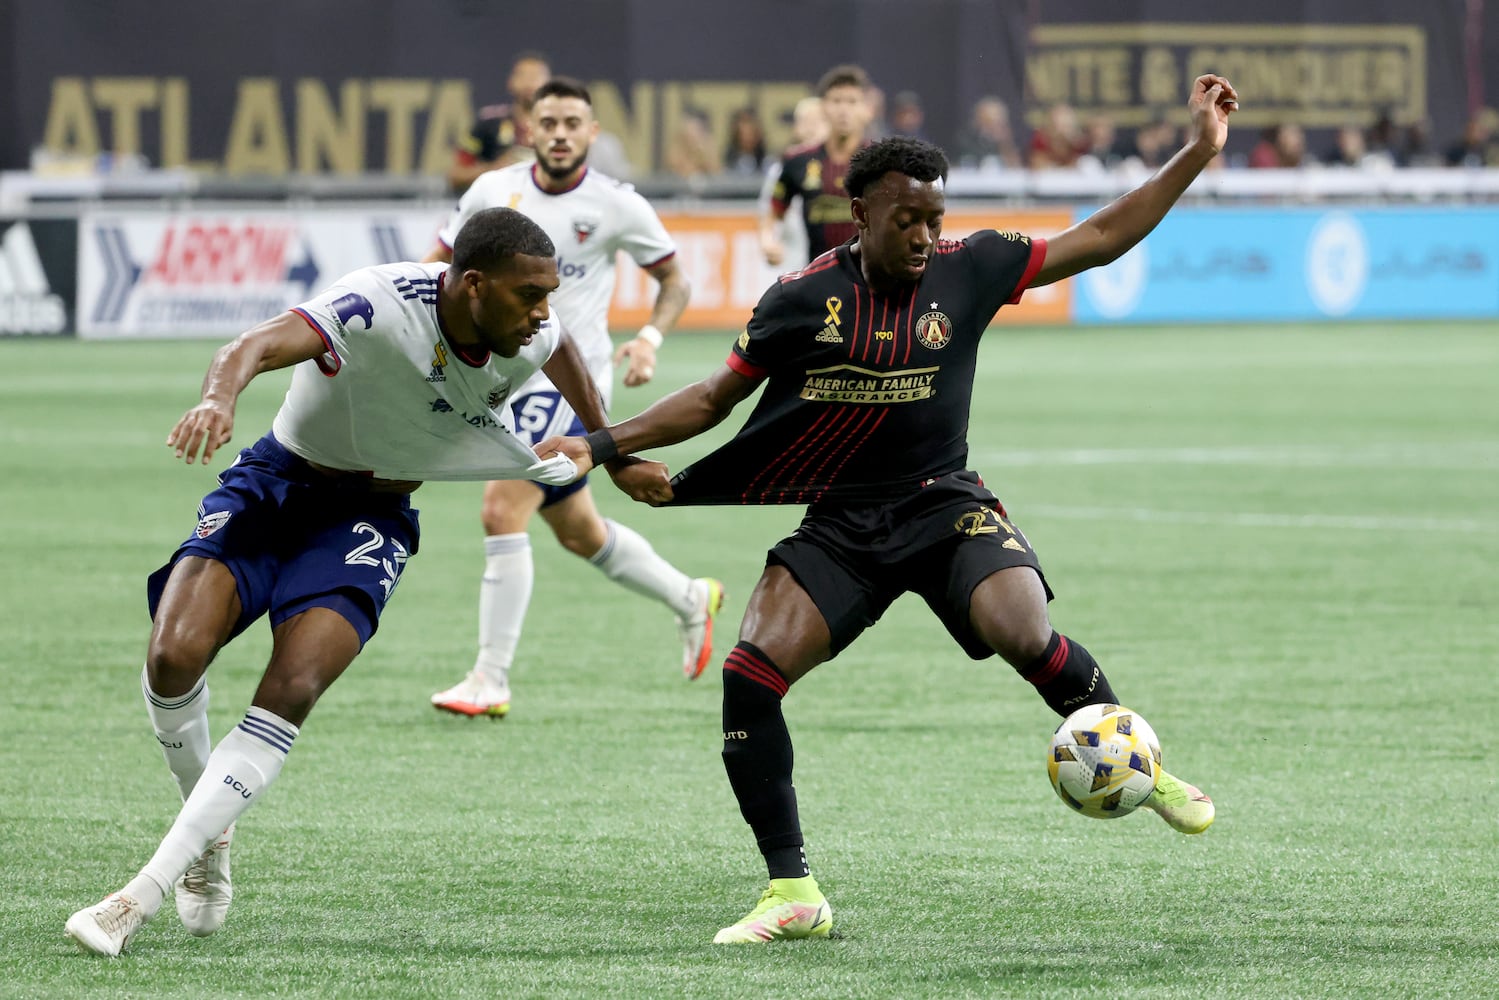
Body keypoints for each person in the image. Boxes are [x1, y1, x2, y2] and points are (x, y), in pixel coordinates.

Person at [541, 74, 1239, 944]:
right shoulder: (799, 299)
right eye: (905, 219)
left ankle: (1141, 761)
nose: (923, 235)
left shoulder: (971, 267)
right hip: (842, 522)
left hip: (944, 504)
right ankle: (792, 892)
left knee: (1022, 634)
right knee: (750, 675)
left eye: (933, 217)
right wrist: (605, 445)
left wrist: (1199, 153)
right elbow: (713, 401)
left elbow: (1099, 237)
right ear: (860, 214)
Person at [63, 207, 664, 956]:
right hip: (272, 486)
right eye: (528, 295)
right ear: (472, 285)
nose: (543, 313)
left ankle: (137, 896)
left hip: (369, 519)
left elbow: (565, 346)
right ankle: (209, 835)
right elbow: (250, 345)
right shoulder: (378, 301)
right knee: (171, 657)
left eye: (549, 294)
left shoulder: (532, 331)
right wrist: (219, 397)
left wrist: (609, 446)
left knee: (292, 687)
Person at [424, 77, 718, 719]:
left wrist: (648, 337)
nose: (560, 133)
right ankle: (691, 596)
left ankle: (490, 679)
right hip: (495, 379)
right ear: (529, 126)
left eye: (573, 123)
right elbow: (437, 266)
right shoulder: (491, 191)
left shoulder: (617, 205)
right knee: (580, 531)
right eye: (549, 121)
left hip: (565, 382)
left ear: (591, 133)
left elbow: (673, 279)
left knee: (502, 509)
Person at [759, 64, 874, 268]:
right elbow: (774, 211)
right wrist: (768, 241)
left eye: (852, 101)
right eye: (836, 101)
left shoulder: (881, 160)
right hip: (818, 277)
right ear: (823, 106)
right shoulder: (798, 160)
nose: (843, 109)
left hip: (870, 277)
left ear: (866, 109)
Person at [447, 51, 552, 195]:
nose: (529, 83)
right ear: (511, 82)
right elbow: (456, 176)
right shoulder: (489, 123)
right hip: (499, 208)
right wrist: (494, 169)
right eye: (523, 75)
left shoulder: (560, 128)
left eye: (536, 76)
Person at [723, 107, 769, 176]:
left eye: (751, 134)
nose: (748, 139)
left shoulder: (766, 162)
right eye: (744, 135)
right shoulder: (729, 162)